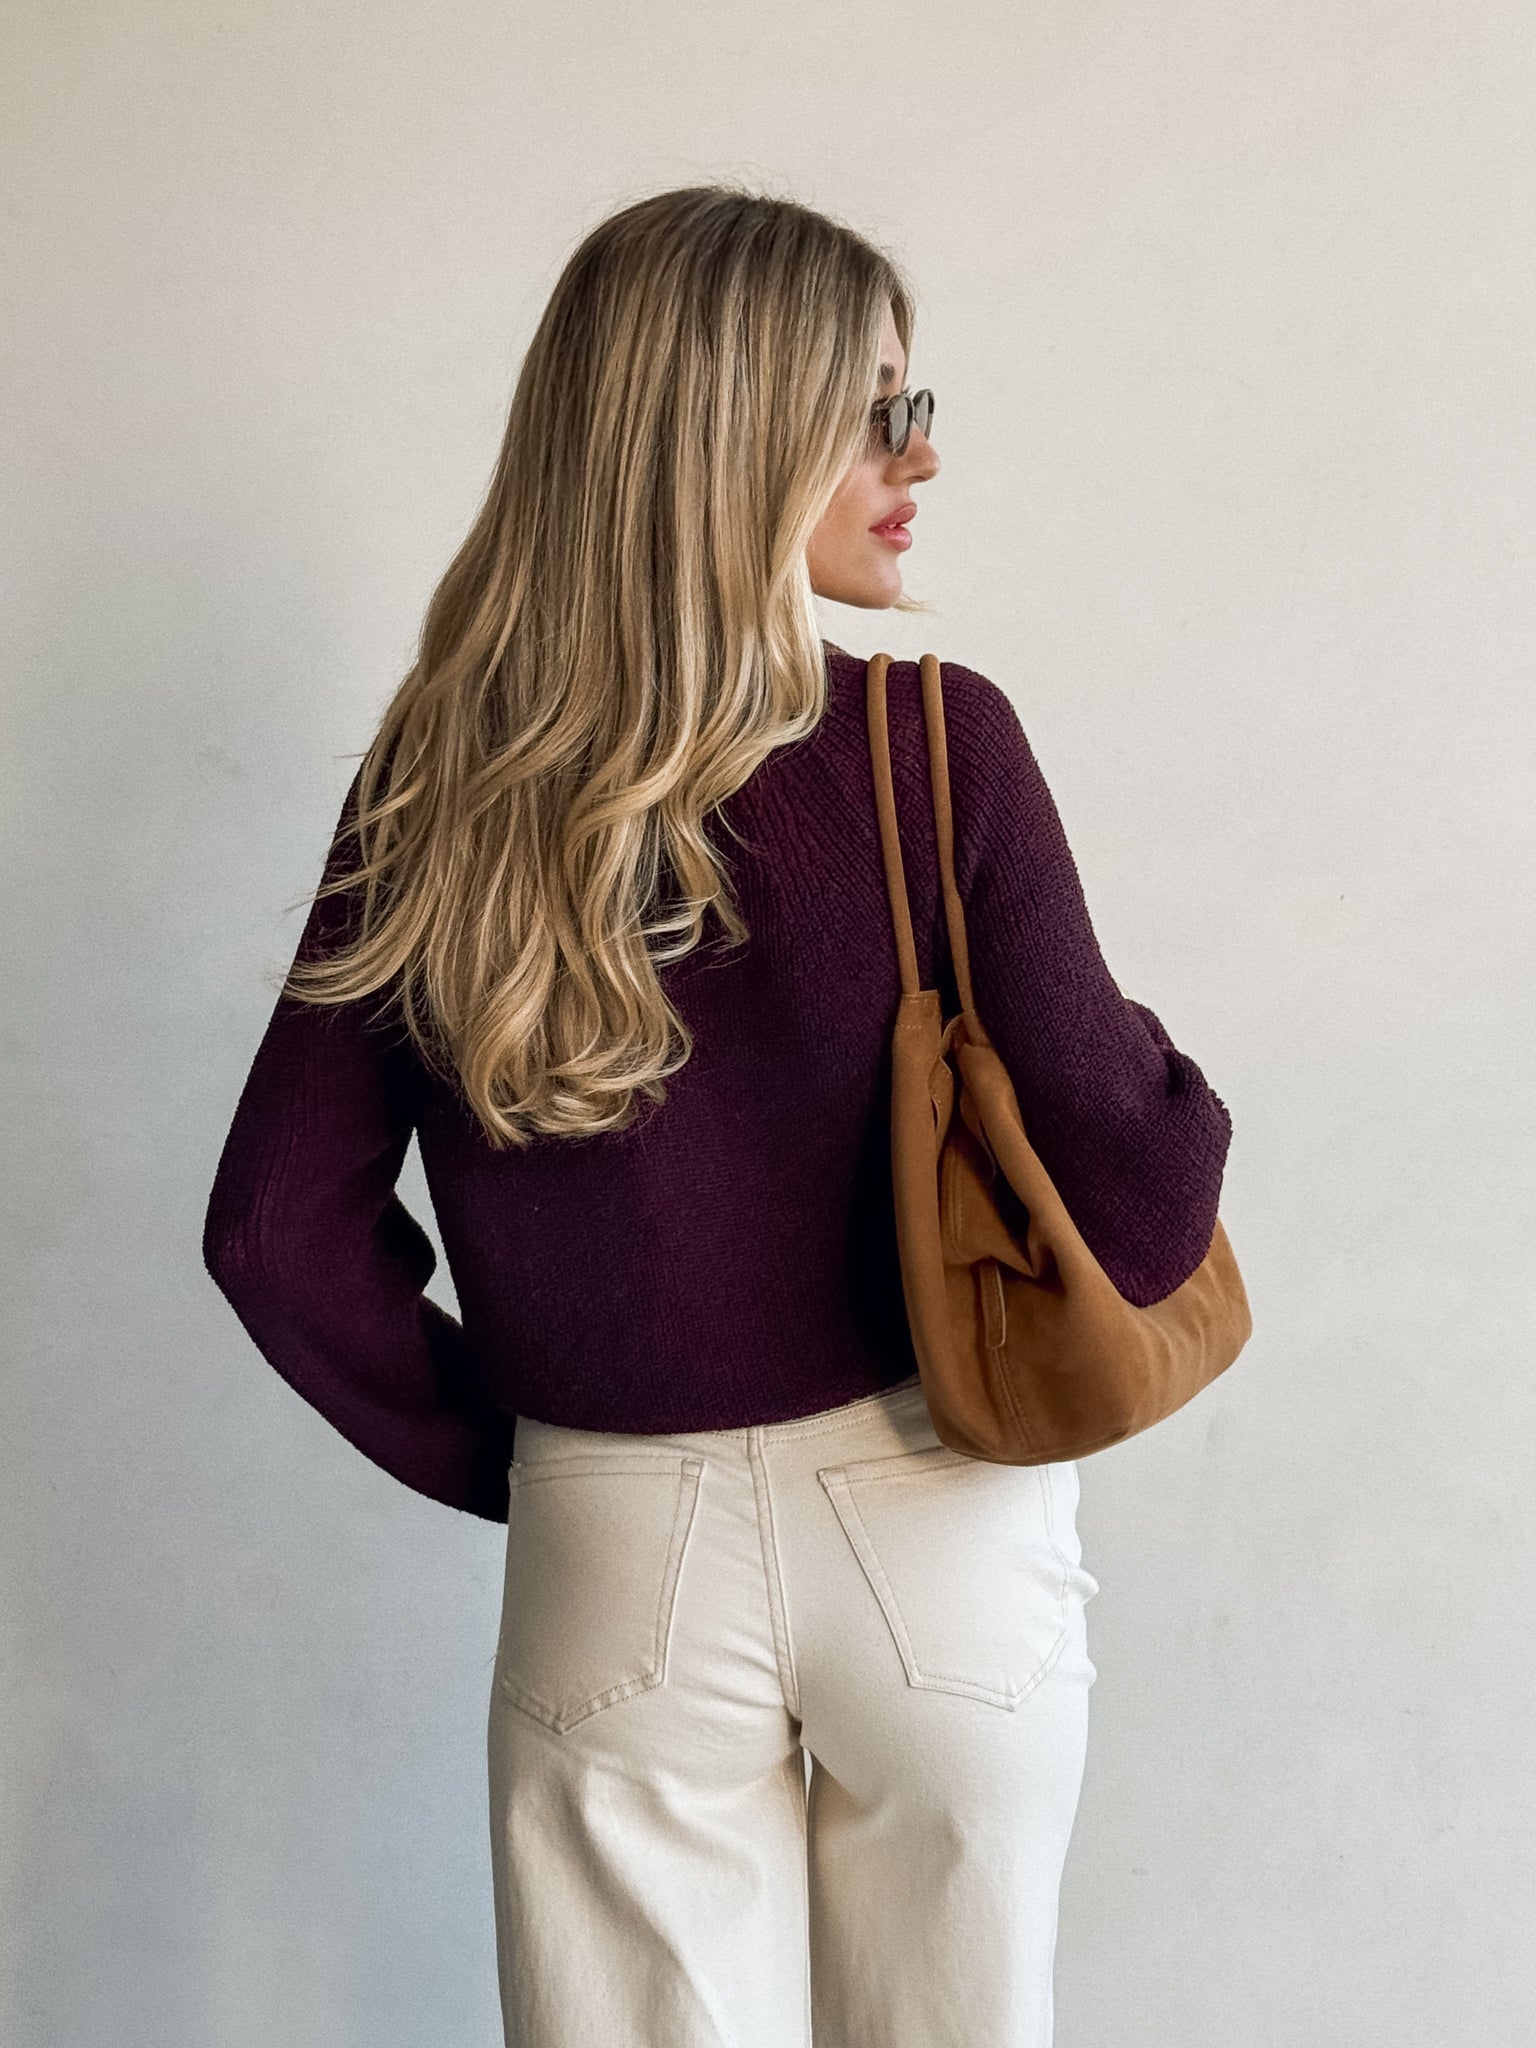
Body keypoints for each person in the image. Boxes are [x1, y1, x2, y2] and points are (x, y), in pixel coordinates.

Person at [202, 184, 1234, 2048]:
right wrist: (1151, 1071)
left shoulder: (444, 787)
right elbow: (1143, 1207)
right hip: (935, 1524)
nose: (923, 456)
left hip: (614, 1538)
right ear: (733, 436)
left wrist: (527, 1457)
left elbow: (276, 1233)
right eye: (875, 409)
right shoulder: (936, 745)